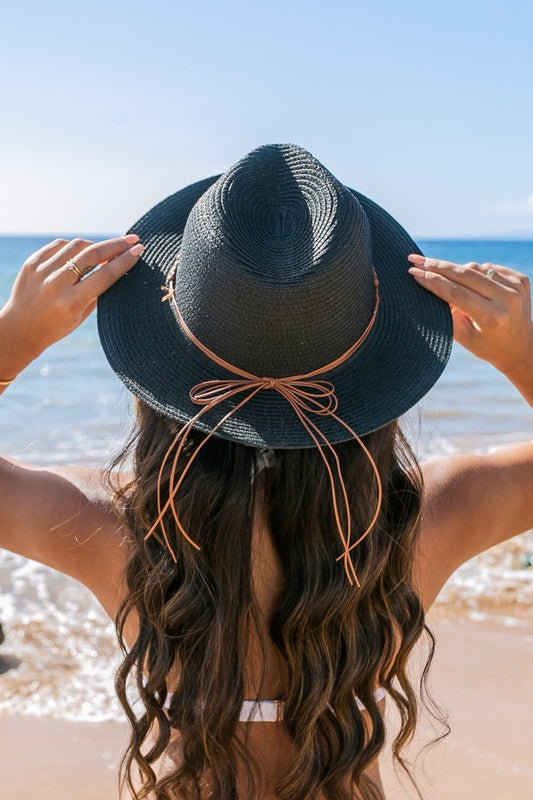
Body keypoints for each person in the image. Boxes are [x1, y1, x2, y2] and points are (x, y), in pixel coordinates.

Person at [0, 144, 531, 800]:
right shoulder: (420, 524)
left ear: (163, 375)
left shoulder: (120, 530)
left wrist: (14, 339)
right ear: (376, 383)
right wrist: (521, 355)